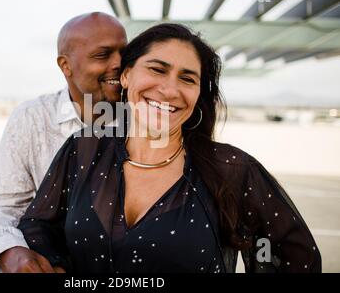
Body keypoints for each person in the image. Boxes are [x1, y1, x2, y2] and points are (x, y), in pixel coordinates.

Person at [17, 23, 322, 273]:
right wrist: (53, 265)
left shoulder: (232, 169)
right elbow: (38, 224)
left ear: (198, 93)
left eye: (187, 78)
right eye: (157, 69)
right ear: (125, 75)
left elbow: (297, 259)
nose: (170, 90)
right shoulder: (82, 149)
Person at [0, 12, 127, 273]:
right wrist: (11, 252)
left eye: (124, 53)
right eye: (103, 55)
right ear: (65, 66)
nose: (119, 63)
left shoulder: (146, 119)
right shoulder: (31, 118)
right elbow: (4, 208)